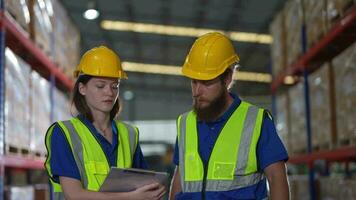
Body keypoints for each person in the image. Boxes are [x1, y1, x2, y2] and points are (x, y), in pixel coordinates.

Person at [169, 32, 289, 200]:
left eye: (206, 83)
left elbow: (277, 179)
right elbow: (179, 179)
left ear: (228, 78)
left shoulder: (256, 121)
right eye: (194, 81)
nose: (197, 92)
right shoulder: (185, 123)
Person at [44, 46, 165, 200]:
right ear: (82, 88)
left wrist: (153, 190)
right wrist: (131, 197)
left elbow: (143, 184)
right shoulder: (64, 133)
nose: (109, 92)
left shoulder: (129, 134)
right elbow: (73, 194)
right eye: (100, 86)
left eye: (115, 86)